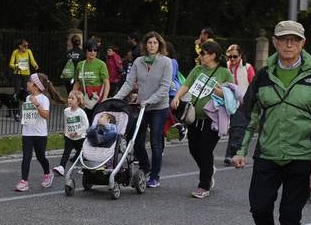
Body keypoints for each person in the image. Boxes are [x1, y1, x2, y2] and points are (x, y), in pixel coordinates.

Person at [229, 20, 311, 225]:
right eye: (283, 39)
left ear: (302, 44)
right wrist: (240, 150)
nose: (289, 44)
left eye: (294, 40)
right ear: (274, 42)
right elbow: (248, 113)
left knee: (290, 215)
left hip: (302, 156)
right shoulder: (263, 75)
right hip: (269, 154)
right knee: (259, 207)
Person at [114, 31, 175, 187]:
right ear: (145, 45)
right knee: (135, 139)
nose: (152, 46)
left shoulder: (166, 62)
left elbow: (165, 87)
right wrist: (116, 98)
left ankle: (155, 176)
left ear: (159, 45)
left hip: (159, 107)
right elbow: (129, 83)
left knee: (155, 141)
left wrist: (150, 100)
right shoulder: (138, 61)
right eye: (149, 43)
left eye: (155, 43)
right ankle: (145, 166)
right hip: (142, 107)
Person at [173, 40, 231, 198]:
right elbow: (186, 84)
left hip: (212, 119)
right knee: (194, 149)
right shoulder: (197, 69)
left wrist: (222, 93)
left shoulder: (224, 72)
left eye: (203, 53)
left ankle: (203, 185)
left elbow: (233, 95)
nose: (200, 56)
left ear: (213, 55)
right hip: (194, 117)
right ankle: (209, 170)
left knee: (205, 151)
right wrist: (177, 96)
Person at [16, 73, 63, 191]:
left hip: (40, 134)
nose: (27, 83)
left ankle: (48, 173)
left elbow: (46, 115)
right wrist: (24, 120)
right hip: (27, 132)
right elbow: (28, 114)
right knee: (26, 156)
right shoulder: (27, 98)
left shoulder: (44, 99)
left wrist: (36, 104)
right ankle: (24, 181)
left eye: (30, 81)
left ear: (36, 86)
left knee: (40, 156)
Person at [223, 44, 255, 166]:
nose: (232, 59)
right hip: (228, 103)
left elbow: (253, 85)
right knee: (233, 129)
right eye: (230, 57)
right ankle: (232, 153)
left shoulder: (247, 68)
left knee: (238, 129)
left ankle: (230, 155)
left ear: (240, 56)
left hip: (243, 104)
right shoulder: (225, 68)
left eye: (235, 56)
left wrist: (251, 101)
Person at [54, 89, 89, 176]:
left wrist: (77, 132)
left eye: (72, 98)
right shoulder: (66, 111)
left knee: (81, 152)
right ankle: (61, 167)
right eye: (69, 98)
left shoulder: (81, 112)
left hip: (80, 137)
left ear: (78, 101)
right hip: (69, 137)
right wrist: (65, 132)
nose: (69, 100)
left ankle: (83, 167)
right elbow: (66, 122)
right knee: (66, 152)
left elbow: (86, 125)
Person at [74, 39, 109, 108]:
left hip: (97, 99)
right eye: (90, 50)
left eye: (95, 50)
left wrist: (105, 97)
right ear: (85, 51)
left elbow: (106, 83)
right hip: (83, 99)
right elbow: (77, 83)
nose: (93, 52)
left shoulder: (101, 64)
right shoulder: (80, 65)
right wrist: (73, 96)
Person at [8, 39, 39, 104]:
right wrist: (16, 66)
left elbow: (32, 60)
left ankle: (26, 105)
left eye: (27, 46)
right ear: (20, 46)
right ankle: (16, 105)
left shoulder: (28, 51)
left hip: (26, 74)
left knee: (26, 90)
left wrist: (35, 65)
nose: (26, 47)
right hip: (17, 74)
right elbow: (11, 64)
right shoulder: (15, 52)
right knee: (17, 90)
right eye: (25, 46)